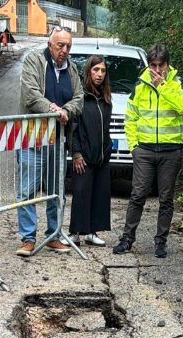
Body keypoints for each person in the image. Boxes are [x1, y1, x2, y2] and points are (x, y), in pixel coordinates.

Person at [114, 44, 183, 259]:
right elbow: (131, 117)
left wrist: (163, 86)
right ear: (148, 65)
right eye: (153, 66)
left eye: (161, 66)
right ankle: (127, 239)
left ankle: (161, 242)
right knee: (137, 195)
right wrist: (134, 147)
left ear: (168, 64)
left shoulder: (178, 83)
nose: (157, 70)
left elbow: (181, 107)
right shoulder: (140, 85)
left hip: (170, 150)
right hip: (145, 150)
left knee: (166, 198)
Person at [16, 27, 83, 256]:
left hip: (58, 138)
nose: (65, 50)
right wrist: (53, 109)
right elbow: (30, 94)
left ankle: (53, 235)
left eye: (68, 46)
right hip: (32, 136)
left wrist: (66, 110)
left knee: (56, 190)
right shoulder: (34, 61)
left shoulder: (71, 68)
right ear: (49, 44)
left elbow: (79, 98)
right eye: (60, 46)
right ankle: (28, 238)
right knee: (27, 190)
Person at [69, 56, 112, 247]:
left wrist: (107, 149)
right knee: (81, 192)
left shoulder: (106, 100)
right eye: (96, 70)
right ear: (88, 71)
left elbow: (106, 128)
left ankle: (92, 232)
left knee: (99, 193)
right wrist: (76, 153)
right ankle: (75, 233)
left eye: (102, 71)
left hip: (101, 155)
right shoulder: (81, 97)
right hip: (83, 155)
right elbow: (73, 127)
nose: (99, 74)